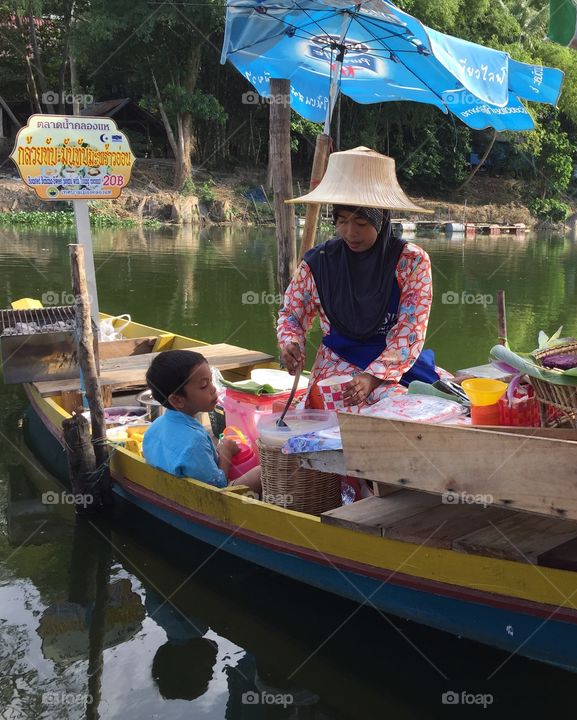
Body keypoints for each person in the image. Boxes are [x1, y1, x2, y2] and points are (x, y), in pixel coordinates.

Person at [277, 146, 446, 409]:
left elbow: (410, 329)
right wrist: (291, 344)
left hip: (395, 365)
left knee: (411, 410)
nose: (350, 232)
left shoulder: (411, 262)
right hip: (337, 362)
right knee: (340, 412)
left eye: (362, 223)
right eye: (342, 221)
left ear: (380, 220)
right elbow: (292, 315)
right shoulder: (318, 262)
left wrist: (373, 377)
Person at [143, 349, 262, 493]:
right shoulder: (195, 441)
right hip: (203, 499)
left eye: (211, 381)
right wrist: (226, 453)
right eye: (204, 385)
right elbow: (218, 485)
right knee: (261, 472)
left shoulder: (154, 427)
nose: (213, 389)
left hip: (169, 491)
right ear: (177, 400)